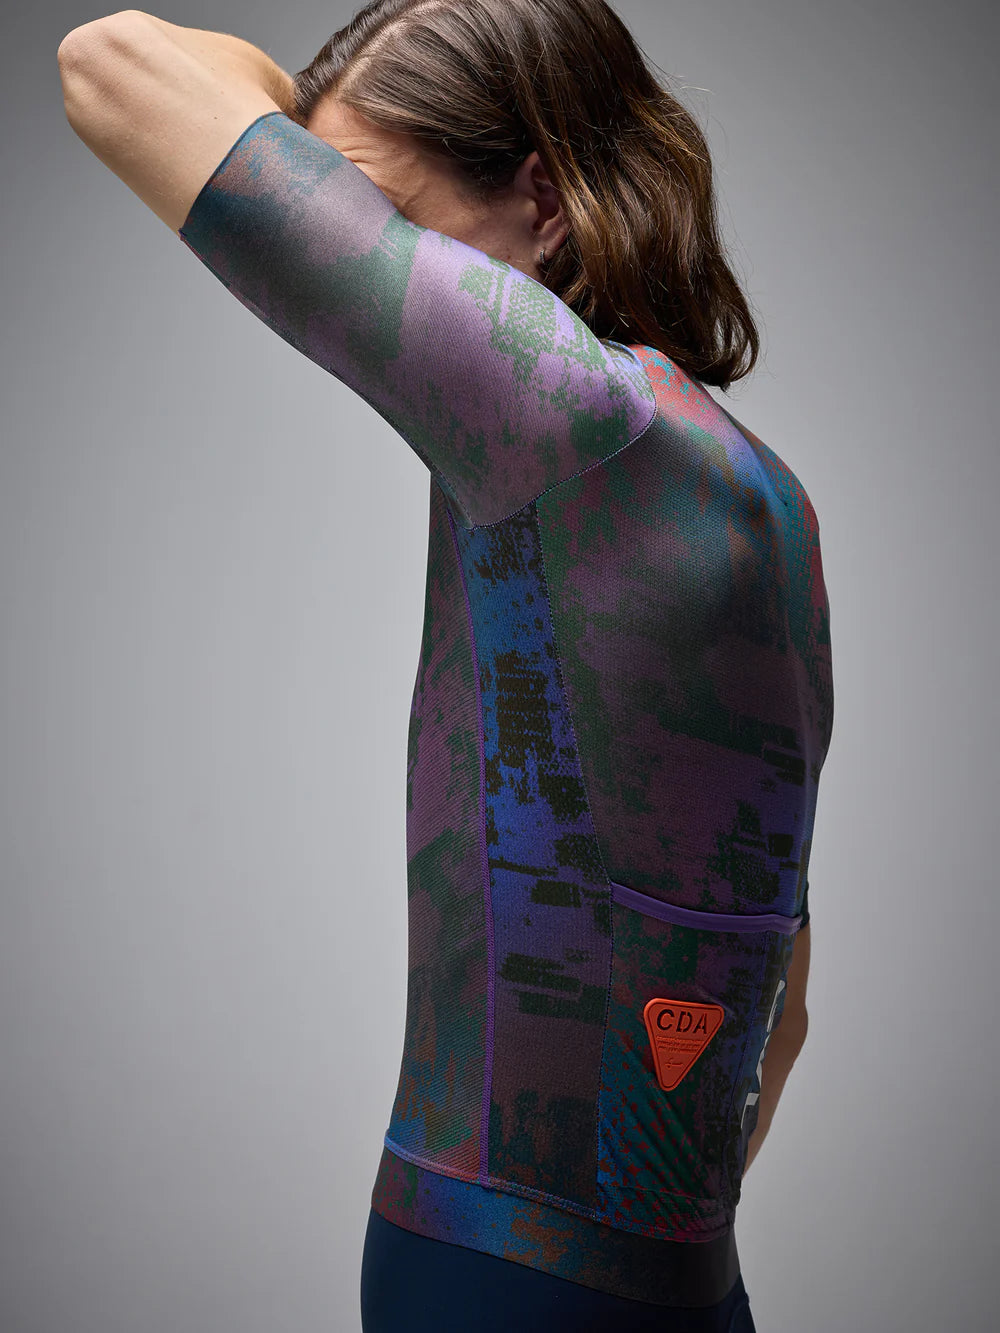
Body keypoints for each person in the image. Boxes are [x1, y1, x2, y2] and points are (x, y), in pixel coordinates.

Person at [58, 2, 834, 1328]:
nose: (341, 257)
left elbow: (108, 61)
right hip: (683, 1286)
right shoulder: (758, 493)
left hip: (485, 1276)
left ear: (546, 203)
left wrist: (286, 154)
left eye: (381, 218)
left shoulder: (568, 416)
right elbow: (784, 1002)